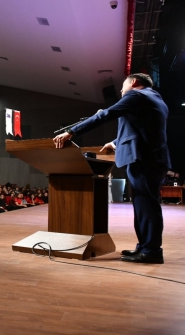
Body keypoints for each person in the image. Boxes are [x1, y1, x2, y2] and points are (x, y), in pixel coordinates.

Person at [53, 73, 170, 264]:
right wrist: (115, 142)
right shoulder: (155, 99)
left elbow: (106, 115)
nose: (122, 91)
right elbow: (142, 129)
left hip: (143, 159)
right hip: (151, 158)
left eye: (123, 86)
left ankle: (152, 251)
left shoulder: (136, 95)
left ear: (133, 83)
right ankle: (145, 246)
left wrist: (71, 131)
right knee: (143, 205)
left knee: (147, 206)